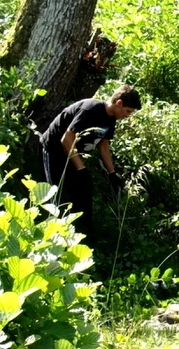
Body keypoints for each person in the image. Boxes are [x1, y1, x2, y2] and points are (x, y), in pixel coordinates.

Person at [40, 84, 141, 247]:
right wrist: (81, 170)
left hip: (72, 156)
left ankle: (83, 240)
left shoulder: (111, 119)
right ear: (119, 103)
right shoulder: (90, 110)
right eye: (128, 111)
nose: (127, 116)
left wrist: (112, 173)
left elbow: (103, 146)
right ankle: (56, 243)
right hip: (54, 153)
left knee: (84, 193)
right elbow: (66, 139)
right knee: (59, 197)